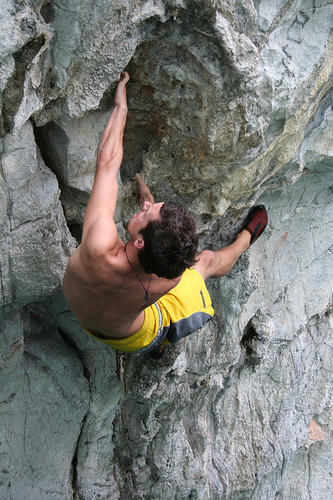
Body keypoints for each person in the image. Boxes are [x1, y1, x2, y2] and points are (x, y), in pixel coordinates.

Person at [62, 72, 268, 359]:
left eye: (147, 212)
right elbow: (164, 250)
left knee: (206, 260)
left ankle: (245, 240)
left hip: (115, 327)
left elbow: (106, 163)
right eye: (151, 206)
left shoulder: (98, 246)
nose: (145, 207)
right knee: (201, 260)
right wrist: (148, 210)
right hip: (127, 336)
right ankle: (244, 237)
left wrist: (121, 107)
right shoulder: (167, 279)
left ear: (139, 243)